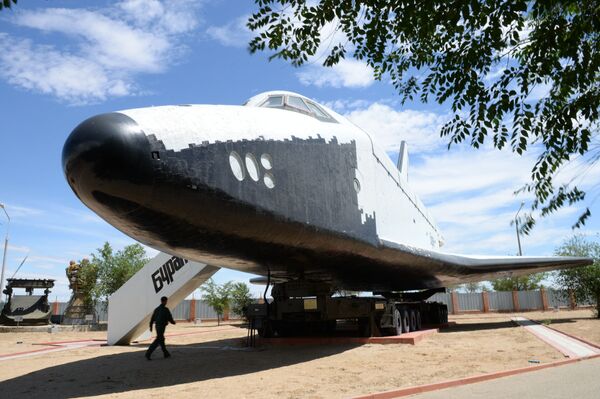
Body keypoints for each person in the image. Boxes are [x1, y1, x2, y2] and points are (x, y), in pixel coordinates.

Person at [145, 296, 176, 360]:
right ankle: (148, 353)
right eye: (166, 301)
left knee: (161, 339)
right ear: (165, 301)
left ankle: (166, 353)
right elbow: (169, 317)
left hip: (157, 326)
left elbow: (152, 319)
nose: (166, 302)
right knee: (158, 340)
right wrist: (173, 322)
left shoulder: (156, 309)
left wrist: (151, 327)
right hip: (161, 327)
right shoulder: (165, 309)